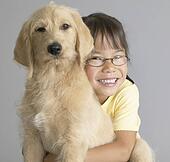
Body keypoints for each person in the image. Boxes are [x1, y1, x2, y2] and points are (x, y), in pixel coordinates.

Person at [44, 13, 141, 162]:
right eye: (96, 58)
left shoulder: (126, 91)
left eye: (117, 57)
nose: (109, 68)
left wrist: (60, 159)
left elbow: (123, 151)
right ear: (75, 61)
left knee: (141, 151)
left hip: (114, 158)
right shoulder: (61, 92)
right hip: (74, 152)